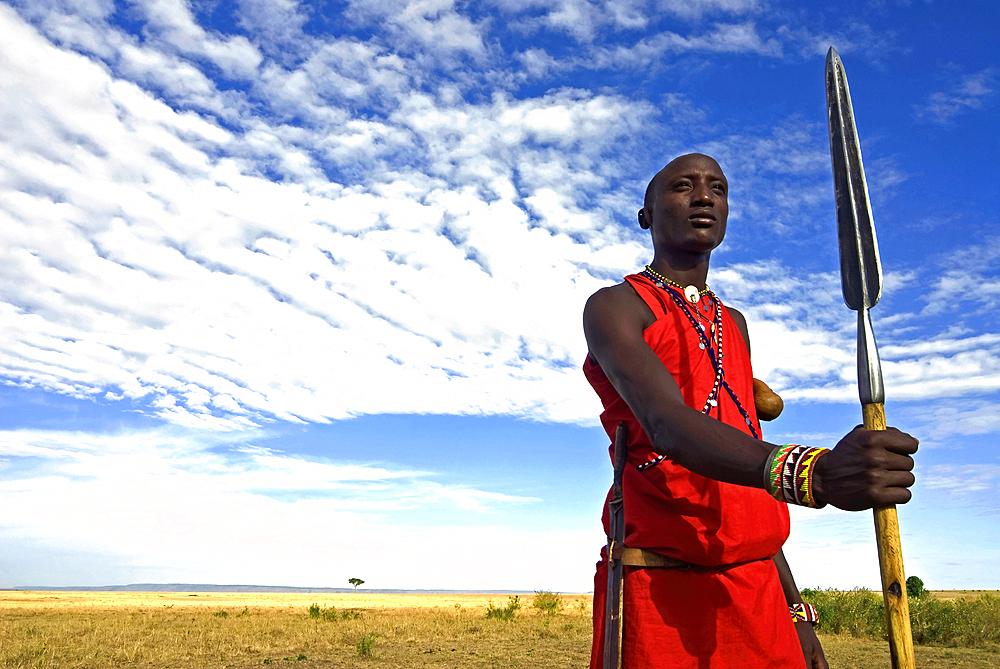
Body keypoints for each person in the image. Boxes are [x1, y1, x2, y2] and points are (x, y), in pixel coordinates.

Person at [583, 153, 918, 669]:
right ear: (646, 214)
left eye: (718, 187)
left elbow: (745, 485)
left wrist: (798, 613)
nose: (704, 196)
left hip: (760, 592)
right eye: (682, 186)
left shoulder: (732, 324)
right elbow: (667, 424)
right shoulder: (615, 307)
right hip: (660, 586)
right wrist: (815, 475)